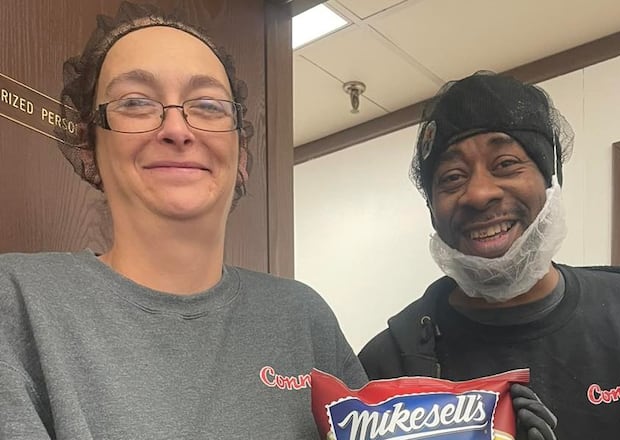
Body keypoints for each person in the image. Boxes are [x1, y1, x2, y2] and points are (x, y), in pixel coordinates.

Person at [0, 3, 366, 439]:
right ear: (88, 141)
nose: (177, 128)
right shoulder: (17, 301)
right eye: (136, 102)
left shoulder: (303, 319)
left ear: (239, 148)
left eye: (208, 105)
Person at [357, 71, 620, 439]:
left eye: (506, 164)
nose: (479, 192)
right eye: (451, 177)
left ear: (549, 181)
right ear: (432, 208)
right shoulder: (390, 363)